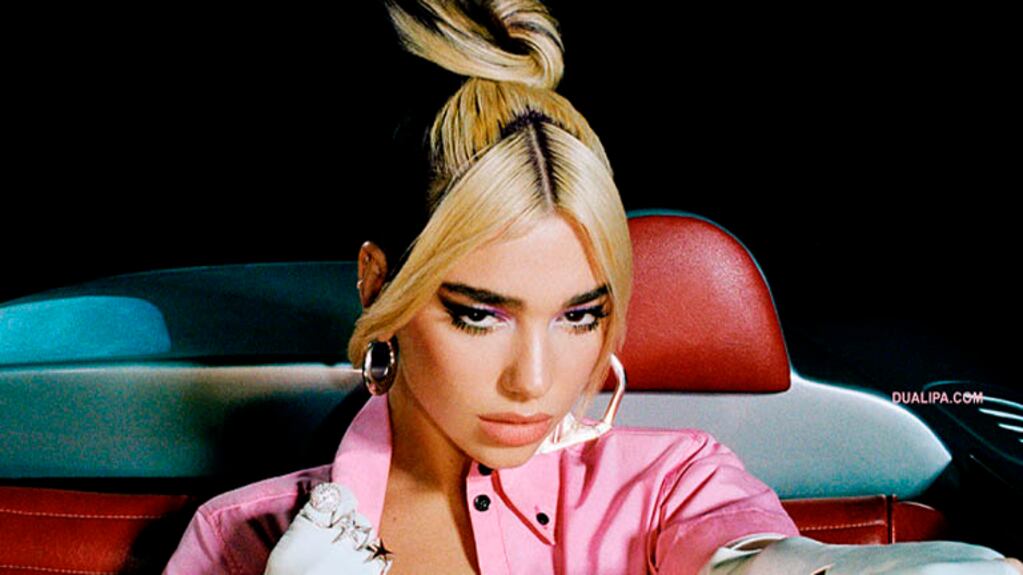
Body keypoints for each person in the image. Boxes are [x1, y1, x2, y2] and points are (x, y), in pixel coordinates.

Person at [165, 1, 1022, 573]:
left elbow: (748, 555)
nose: (535, 380)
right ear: (377, 284)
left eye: (579, 315)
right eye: (479, 315)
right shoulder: (241, 535)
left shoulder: (674, 482)